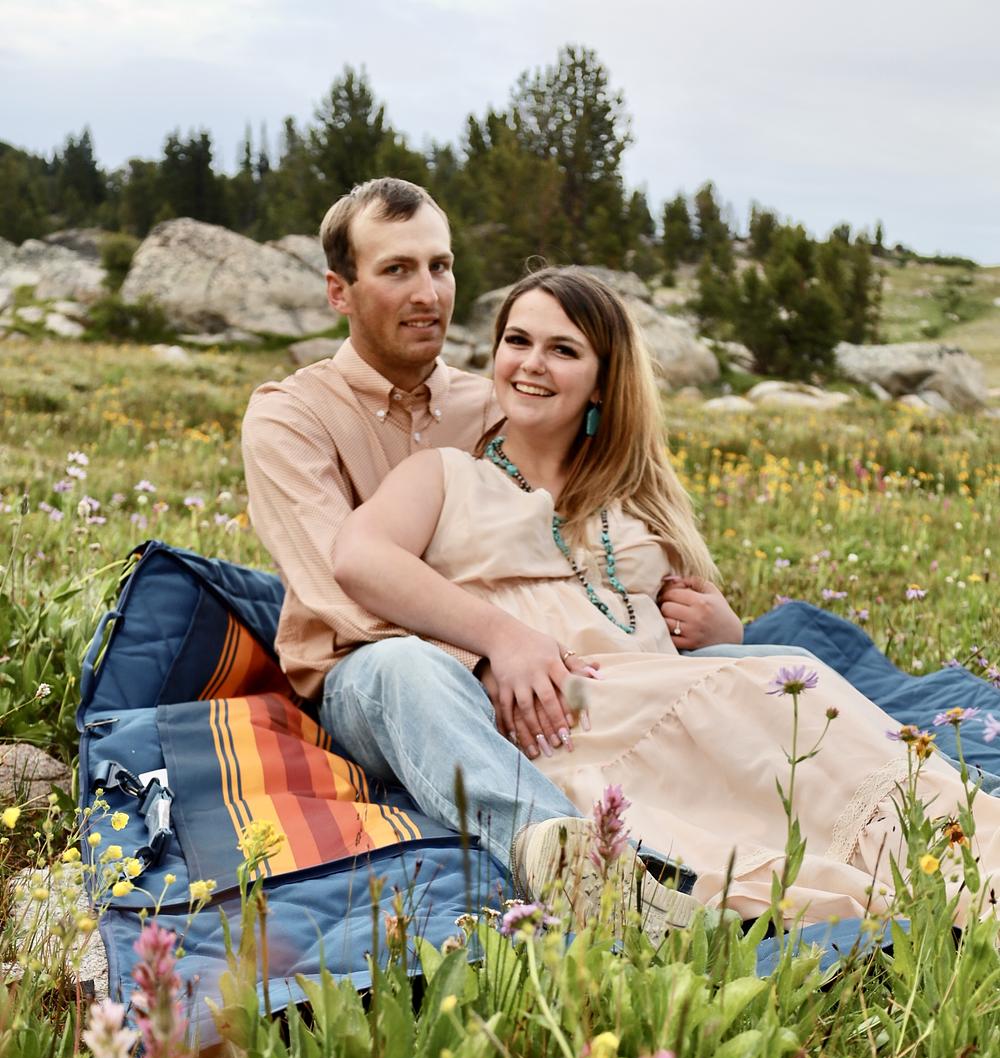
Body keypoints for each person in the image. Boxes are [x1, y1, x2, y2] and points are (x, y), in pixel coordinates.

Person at [332, 267, 1000, 928]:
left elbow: (690, 634)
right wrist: (502, 639)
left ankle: (951, 840)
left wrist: (724, 629)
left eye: (562, 350)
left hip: (637, 700)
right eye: (517, 341)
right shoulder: (446, 475)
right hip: (523, 715)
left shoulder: (635, 501)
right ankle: (576, 865)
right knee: (399, 667)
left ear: (603, 380)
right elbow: (360, 557)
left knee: (791, 675)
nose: (531, 363)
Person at [243, 178, 750, 939]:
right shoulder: (292, 416)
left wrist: (696, 620)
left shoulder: (495, 399)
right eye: (397, 270)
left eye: (440, 266)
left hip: (531, 659)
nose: (428, 294)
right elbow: (344, 598)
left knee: (763, 674)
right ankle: (592, 876)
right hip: (370, 678)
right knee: (410, 670)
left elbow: (590, 525)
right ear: (339, 291)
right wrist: (492, 649)